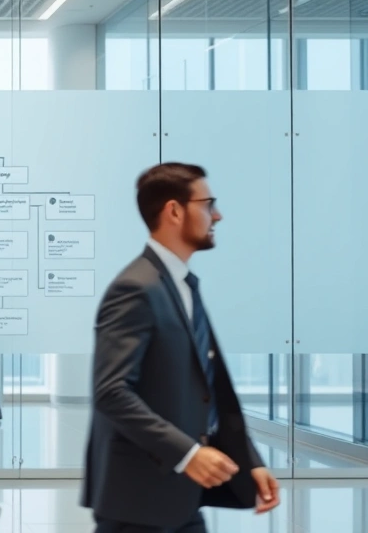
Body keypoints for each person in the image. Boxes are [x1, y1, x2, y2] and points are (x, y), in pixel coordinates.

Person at [81, 163, 280, 532]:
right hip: (137, 504)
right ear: (174, 210)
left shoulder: (181, 284)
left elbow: (211, 389)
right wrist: (188, 454)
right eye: (208, 204)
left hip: (179, 499)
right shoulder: (136, 288)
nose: (217, 214)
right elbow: (111, 392)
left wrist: (249, 460)